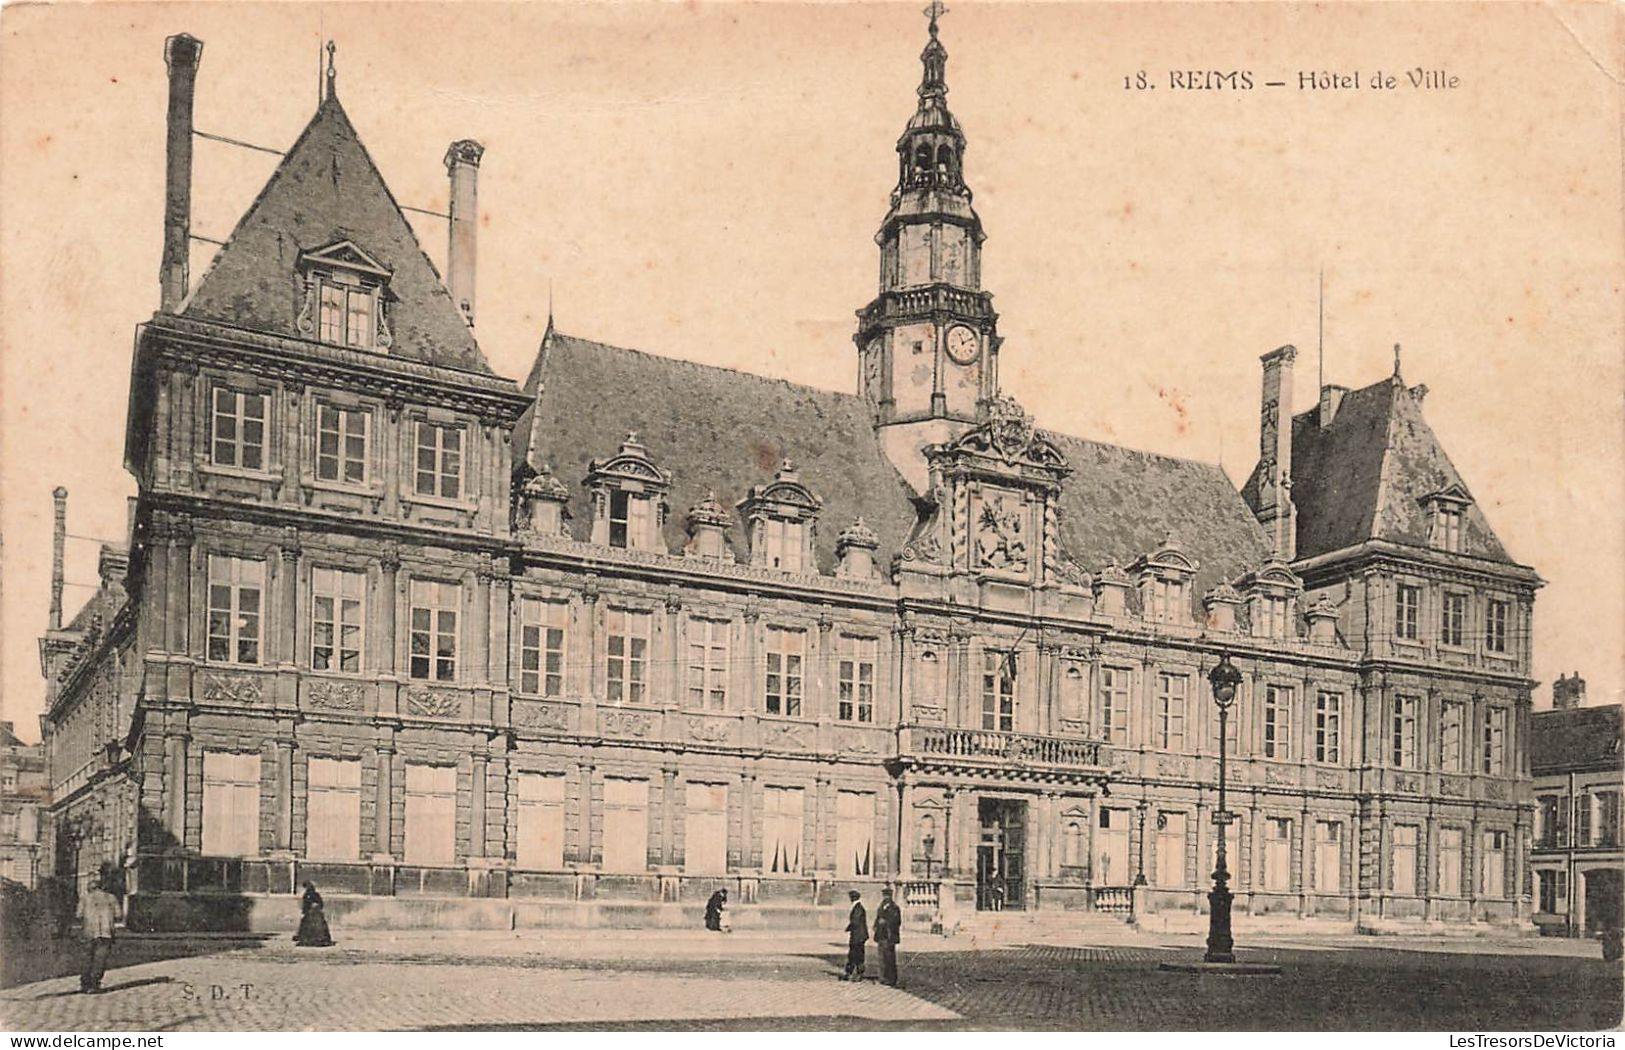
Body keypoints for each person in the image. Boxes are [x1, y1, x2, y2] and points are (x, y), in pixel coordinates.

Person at [78, 877, 119, 994]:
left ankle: (85, 984)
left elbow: (78, 914)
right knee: (100, 959)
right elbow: (118, 913)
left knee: (87, 957)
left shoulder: (85, 898)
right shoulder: (111, 897)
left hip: (89, 931)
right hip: (106, 932)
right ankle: (95, 984)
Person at [874, 886, 903, 987]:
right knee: (881, 957)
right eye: (884, 896)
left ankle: (891, 979)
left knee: (889, 958)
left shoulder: (894, 907)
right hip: (881, 935)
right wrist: (876, 926)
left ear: (890, 896)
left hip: (889, 936)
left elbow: (896, 921)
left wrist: (885, 923)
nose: (885, 898)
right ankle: (883, 978)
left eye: (887, 896)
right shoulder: (881, 906)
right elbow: (878, 918)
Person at [294, 881, 334, 947]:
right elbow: (320, 904)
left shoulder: (307, 895)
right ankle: (319, 940)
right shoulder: (315, 894)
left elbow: (306, 905)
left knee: (310, 927)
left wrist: (304, 912)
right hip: (315, 914)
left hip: (311, 914)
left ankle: (310, 940)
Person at [841, 889, 868, 981]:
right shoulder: (857, 907)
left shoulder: (858, 908)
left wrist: (849, 927)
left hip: (858, 936)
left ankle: (856, 973)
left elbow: (855, 921)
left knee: (856, 955)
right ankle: (851, 973)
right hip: (858, 935)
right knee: (854, 954)